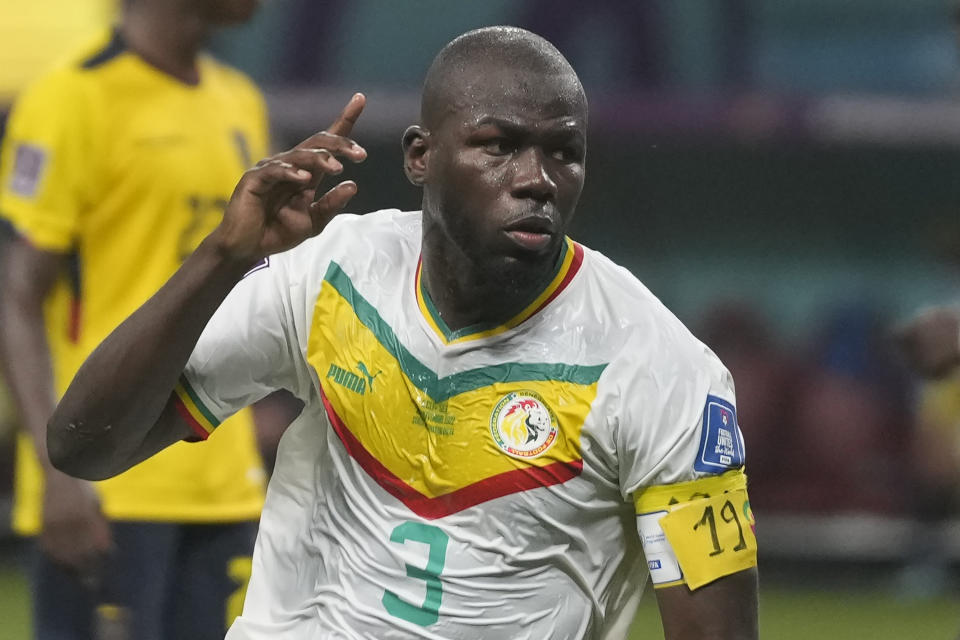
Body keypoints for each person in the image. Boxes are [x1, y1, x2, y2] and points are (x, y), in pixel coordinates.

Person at [48, 27, 759, 638]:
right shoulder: (329, 276)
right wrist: (221, 258)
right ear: (421, 155)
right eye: (499, 146)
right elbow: (84, 445)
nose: (537, 178)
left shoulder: (663, 371)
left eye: (563, 153)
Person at [0, 1, 273, 638]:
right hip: (109, 483)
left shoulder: (240, 99)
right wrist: (55, 476)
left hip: (221, 483)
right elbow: (16, 298)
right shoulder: (71, 99)